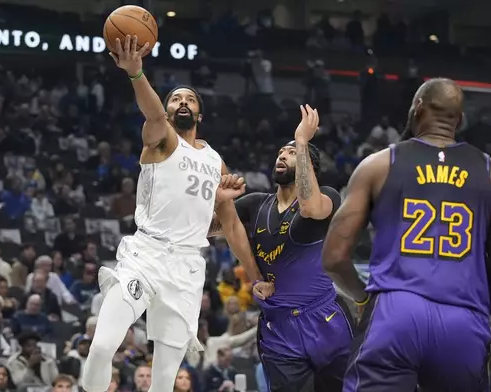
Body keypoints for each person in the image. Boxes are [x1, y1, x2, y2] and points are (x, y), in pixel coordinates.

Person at [321, 78, 491, 392]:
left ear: (417, 108)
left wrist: (364, 299)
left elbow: (334, 257)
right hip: (463, 322)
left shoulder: (378, 165)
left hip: (395, 313)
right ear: (459, 119)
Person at [81, 35, 255, 392]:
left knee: (164, 381)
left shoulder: (214, 160)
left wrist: (255, 275)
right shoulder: (160, 137)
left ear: (199, 114)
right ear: (169, 109)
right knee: (100, 348)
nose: (182, 102)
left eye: (189, 98)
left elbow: (225, 226)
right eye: (176, 98)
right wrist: (135, 74)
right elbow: (153, 112)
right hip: (145, 256)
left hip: (186, 267)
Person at [210, 105, 353, 391]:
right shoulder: (255, 204)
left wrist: (301, 141)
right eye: (280, 153)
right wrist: (220, 201)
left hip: (325, 321)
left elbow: (311, 208)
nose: (282, 156)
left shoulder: (328, 197)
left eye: (290, 153)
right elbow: (208, 230)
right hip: (279, 328)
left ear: (307, 165)